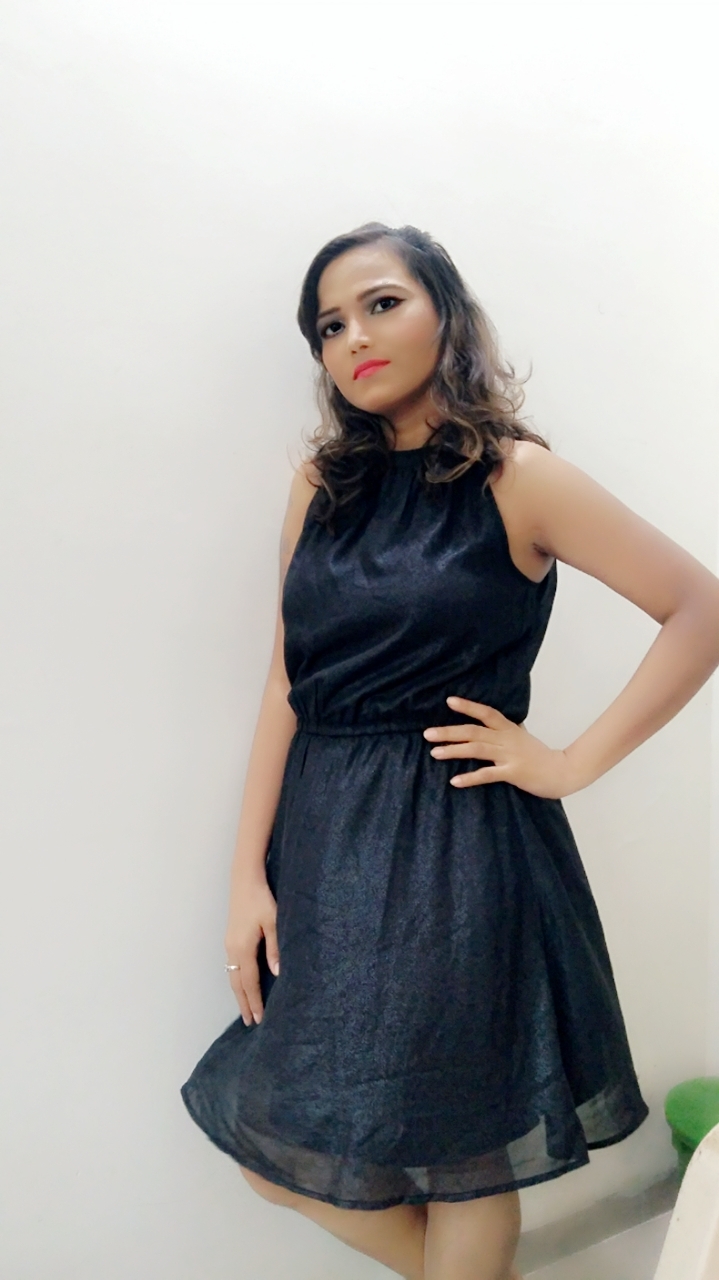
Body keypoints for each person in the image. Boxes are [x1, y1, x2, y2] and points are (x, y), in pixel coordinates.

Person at [181, 222, 719, 1280]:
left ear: (446, 312)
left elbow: (697, 608)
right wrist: (247, 874)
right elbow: (287, 678)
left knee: (465, 1158)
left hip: (458, 846)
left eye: (381, 303)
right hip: (326, 846)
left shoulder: (517, 477)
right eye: (328, 325)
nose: (353, 336)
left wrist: (567, 761)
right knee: (278, 1155)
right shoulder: (320, 485)